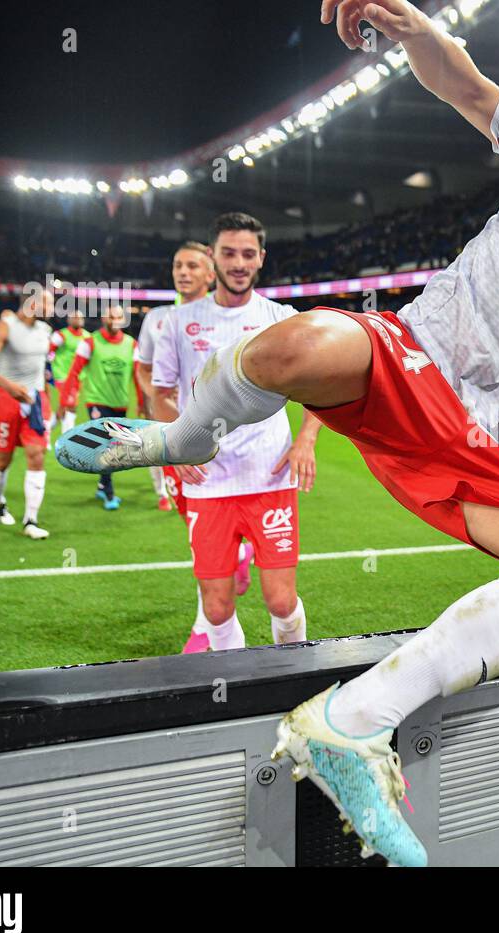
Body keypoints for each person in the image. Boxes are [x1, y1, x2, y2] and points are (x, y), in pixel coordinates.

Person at [55, 0, 499, 868]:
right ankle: (186, 438)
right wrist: (406, 28)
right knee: (291, 344)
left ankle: (348, 724)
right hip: (405, 353)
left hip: (465, 445)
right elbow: (467, 89)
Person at [150, 213, 320, 655]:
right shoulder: (179, 322)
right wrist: (177, 444)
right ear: (214, 257)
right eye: (229, 253)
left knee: (281, 602)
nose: (239, 262)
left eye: (248, 253)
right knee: (219, 608)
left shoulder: (281, 318)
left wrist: (306, 440)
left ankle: (294, 676)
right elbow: (162, 393)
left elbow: (320, 386)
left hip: (270, 476)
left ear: (261, 258)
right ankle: (234, 688)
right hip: (207, 482)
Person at [136, 241, 216, 512]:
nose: (183, 272)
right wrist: (158, 395)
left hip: (217, 426)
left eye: (192, 266)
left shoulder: (227, 318)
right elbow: (143, 370)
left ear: (210, 275)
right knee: (185, 505)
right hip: (171, 424)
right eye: (178, 266)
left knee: (218, 507)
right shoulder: (156, 318)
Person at [0, 293, 54, 539]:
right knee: (3, 460)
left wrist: (47, 405)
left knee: (36, 455)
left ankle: (31, 520)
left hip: (35, 402)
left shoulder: (45, 330)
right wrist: (9, 387)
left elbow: (42, 370)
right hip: (7, 400)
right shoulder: (4, 326)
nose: (51, 308)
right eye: (47, 303)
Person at [61, 304, 139, 510]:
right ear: (104, 318)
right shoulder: (90, 342)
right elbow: (74, 372)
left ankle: (102, 484)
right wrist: (67, 399)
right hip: (97, 401)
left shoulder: (132, 345)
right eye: (111, 316)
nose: (115, 320)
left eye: (119, 316)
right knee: (107, 444)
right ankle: (109, 493)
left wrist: (142, 402)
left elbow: (138, 377)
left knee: (116, 445)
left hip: (120, 402)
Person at [47, 310, 89, 432]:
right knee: (71, 404)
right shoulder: (61, 335)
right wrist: (47, 367)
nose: (77, 319)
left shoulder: (87, 337)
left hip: (79, 377)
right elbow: (48, 351)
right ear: (69, 320)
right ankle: (67, 435)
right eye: (74, 317)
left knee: (65, 404)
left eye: (80, 317)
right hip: (63, 375)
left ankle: (48, 428)